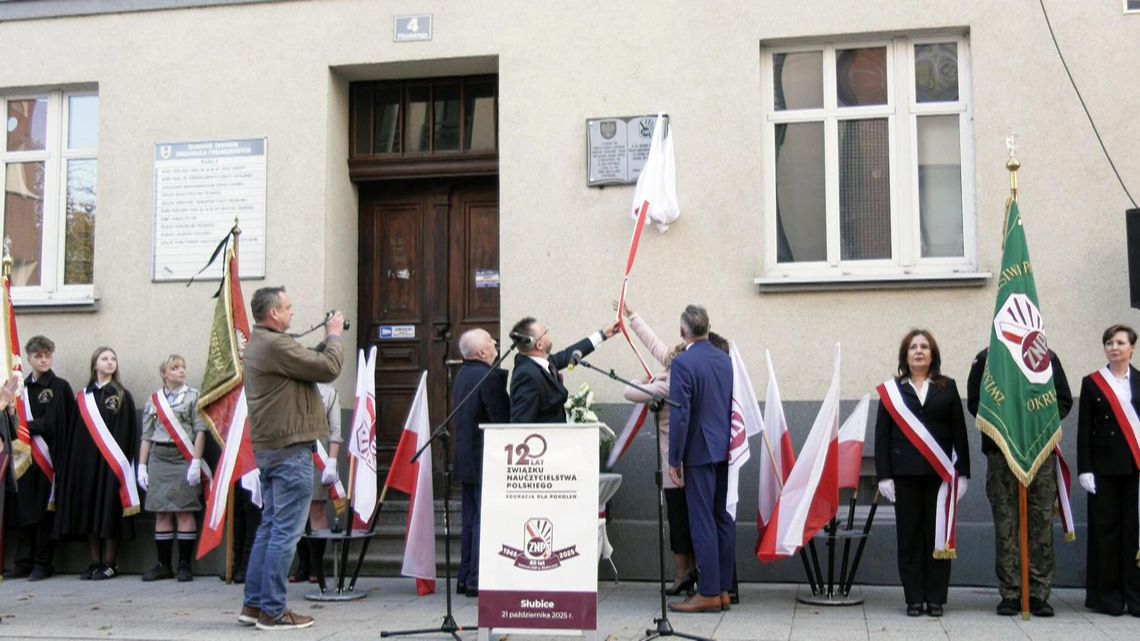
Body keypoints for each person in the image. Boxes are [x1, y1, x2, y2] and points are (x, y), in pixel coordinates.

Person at [237, 286, 343, 631]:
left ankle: (254, 606)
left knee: (269, 529)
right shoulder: (275, 343)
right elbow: (327, 369)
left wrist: (325, 341)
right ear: (273, 314)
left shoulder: (264, 343)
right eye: (288, 307)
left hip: (271, 450)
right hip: (291, 450)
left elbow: (304, 361)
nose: (292, 312)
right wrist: (335, 336)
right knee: (285, 532)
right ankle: (274, 611)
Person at [967, 346, 1072, 617]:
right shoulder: (986, 358)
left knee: (1040, 524)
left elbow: (1062, 399)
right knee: (1006, 524)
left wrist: (1035, 425)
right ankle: (1011, 592)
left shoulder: (1045, 354)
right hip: (1001, 453)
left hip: (1038, 452)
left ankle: (1038, 593)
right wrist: (1007, 427)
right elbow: (975, 402)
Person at [874, 329, 970, 617]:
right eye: (913, 347)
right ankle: (914, 598)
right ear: (905, 355)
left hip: (939, 478)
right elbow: (882, 436)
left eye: (924, 347)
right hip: (904, 476)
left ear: (932, 354)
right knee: (910, 538)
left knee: (938, 537)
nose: (918, 351)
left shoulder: (948, 387)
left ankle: (936, 598)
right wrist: (884, 476)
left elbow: (959, 433)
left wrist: (962, 473)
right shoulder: (892, 391)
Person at [614, 300, 696, 596]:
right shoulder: (680, 373)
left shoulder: (667, 384)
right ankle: (690, 573)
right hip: (692, 465)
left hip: (673, 467)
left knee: (678, 524)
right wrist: (633, 316)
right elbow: (654, 344)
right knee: (690, 522)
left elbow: (628, 390)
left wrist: (648, 380)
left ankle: (681, 575)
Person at [666, 304, 734, 614]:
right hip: (724, 448)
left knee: (702, 520)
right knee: (721, 518)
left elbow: (681, 414)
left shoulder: (683, 363)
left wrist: (674, 457)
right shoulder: (724, 359)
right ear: (707, 327)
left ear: (683, 332)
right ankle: (722, 590)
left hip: (698, 452)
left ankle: (707, 592)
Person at [52, 346, 139, 580]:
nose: (110, 362)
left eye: (113, 359)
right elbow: (74, 434)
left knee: (109, 511)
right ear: (95, 365)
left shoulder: (122, 395)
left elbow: (128, 433)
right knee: (90, 511)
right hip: (86, 466)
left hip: (111, 466)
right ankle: (95, 561)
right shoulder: (83, 397)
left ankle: (110, 563)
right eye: (104, 358)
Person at [1077, 323, 1140, 617]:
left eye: (1120, 342)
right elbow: (1084, 429)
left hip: (1136, 467)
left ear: (1132, 348)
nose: (1114, 347)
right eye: (1109, 343)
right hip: (1103, 469)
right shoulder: (1092, 382)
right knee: (1106, 533)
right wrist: (1085, 469)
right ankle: (1109, 597)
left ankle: (1135, 596)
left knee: (1135, 533)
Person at [4, 336, 75, 582]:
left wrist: (23, 426)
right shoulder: (21, 389)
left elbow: (54, 422)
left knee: (45, 513)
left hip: (49, 459)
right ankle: (23, 561)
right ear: (29, 359)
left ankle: (43, 563)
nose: (44, 360)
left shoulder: (59, 386)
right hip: (24, 459)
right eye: (38, 356)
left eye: (47, 355)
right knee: (23, 511)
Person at [137, 355, 209, 582]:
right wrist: (142, 466)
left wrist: (196, 462)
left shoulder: (194, 397)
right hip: (159, 457)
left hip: (183, 457)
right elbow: (147, 435)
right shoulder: (153, 400)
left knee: (184, 510)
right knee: (162, 511)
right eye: (174, 367)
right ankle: (163, 564)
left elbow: (200, 431)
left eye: (183, 367)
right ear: (164, 373)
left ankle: (185, 564)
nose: (181, 371)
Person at [452, 328, 510, 598]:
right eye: (490, 341)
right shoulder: (487, 377)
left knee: (470, 520)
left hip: (467, 458)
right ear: (481, 352)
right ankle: (477, 578)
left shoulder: (463, 375)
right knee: (482, 521)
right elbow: (501, 419)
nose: (495, 343)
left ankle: (465, 577)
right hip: (485, 458)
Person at [508, 316, 618, 423]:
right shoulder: (526, 376)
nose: (548, 333)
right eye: (545, 332)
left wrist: (603, 334)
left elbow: (568, 355)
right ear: (539, 345)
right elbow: (521, 423)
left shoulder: (538, 363)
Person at [289, 382, 342, 584]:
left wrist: (332, 461)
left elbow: (335, 431)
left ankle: (316, 566)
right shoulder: (294, 389)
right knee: (297, 512)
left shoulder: (329, 393)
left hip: (320, 458)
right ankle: (302, 564)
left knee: (317, 510)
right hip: (296, 456)